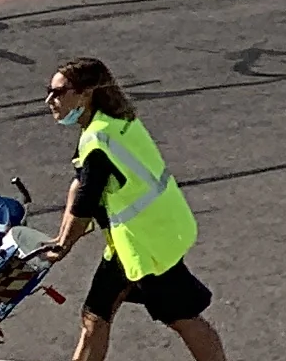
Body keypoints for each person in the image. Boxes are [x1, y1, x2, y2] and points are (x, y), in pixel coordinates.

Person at [31, 57, 227, 360]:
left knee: (183, 318)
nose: (50, 100)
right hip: (137, 240)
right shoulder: (113, 122)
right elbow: (78, 183)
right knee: (95, 316)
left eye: (59, 92)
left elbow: (85, 202)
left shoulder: (98, 140)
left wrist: (64, 245)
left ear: (84, 94)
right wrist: (60, 238)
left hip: (145, 246)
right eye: (49, 91)